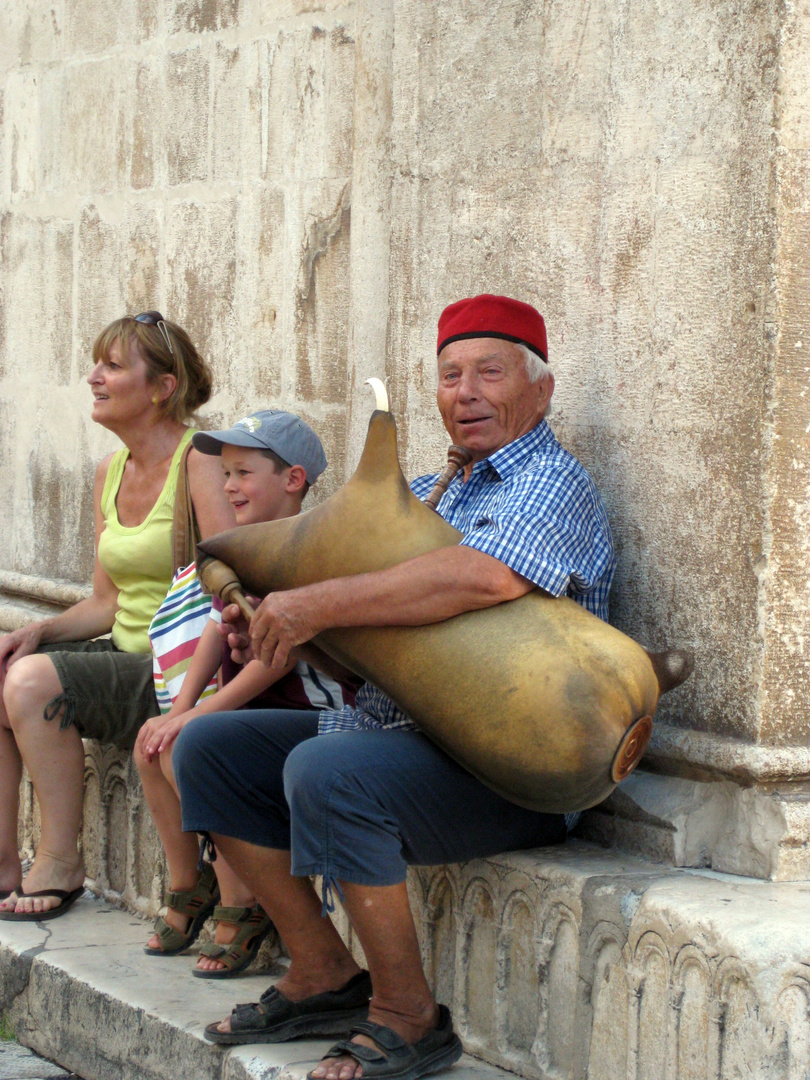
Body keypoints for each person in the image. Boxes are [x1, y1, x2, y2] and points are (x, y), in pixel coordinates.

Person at [172, 295, 616, 1080]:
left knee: (326, 769)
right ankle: (324, 973)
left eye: (489, 372)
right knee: (209, 745)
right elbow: (366, 656)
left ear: (540, 392)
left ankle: (409, 1018)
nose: (465, 392)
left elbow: (479, 578)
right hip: (403, 739)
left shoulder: (550, 482)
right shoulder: (423, 489)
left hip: (513, 767)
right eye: (450, 375)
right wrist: (290, 633)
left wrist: (316, 603)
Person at [0, 312, 235, 920]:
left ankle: (58, 860)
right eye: (96, 364)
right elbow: (107, 602)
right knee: (8, 664)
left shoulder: (200, 461)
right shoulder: (110, 471)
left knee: (30, 682)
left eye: (112, 366)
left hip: (175, 671)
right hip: (126, 655)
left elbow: (231, 582)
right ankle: (4, 860)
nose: (93, 378)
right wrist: (37, 631)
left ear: (161, 388)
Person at [134, 410, 357, 976]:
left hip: (317, 717)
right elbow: (217, 624)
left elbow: (270, 659)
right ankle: (189, 883)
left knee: (196, 744)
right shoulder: (241, 549)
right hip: (256, 715)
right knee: (152, 743)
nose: (229, 486)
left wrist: (198, 715)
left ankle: (245, 901)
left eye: (243, 473)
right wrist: (179, 709)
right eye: (225, 473)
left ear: (293, 480)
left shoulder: (308, 551)